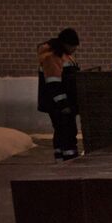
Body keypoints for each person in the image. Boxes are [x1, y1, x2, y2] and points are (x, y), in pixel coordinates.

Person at [37, 28, 81, 161]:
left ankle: (63, 158)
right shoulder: (52, 57)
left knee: (64, 130)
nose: (74, 49)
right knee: (66, 131)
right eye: (73, 46)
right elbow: (53, 83)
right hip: (58, 104)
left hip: (63, 103)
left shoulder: (63, 55)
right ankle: (69, 159)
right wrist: (63, 104)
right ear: (66, 43)